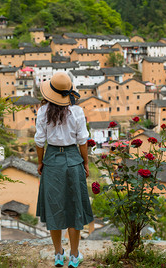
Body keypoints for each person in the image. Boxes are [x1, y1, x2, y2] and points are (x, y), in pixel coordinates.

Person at [35, 72, 94, 267]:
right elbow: (82, 141)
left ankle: (58, 254)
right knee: (73, 208)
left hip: (51, 159)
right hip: (73, 159)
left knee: (55, 208)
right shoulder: (76, 112)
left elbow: (39, 141)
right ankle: (74, 256)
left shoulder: (43, 111)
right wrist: (85, 163)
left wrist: (40, 162)